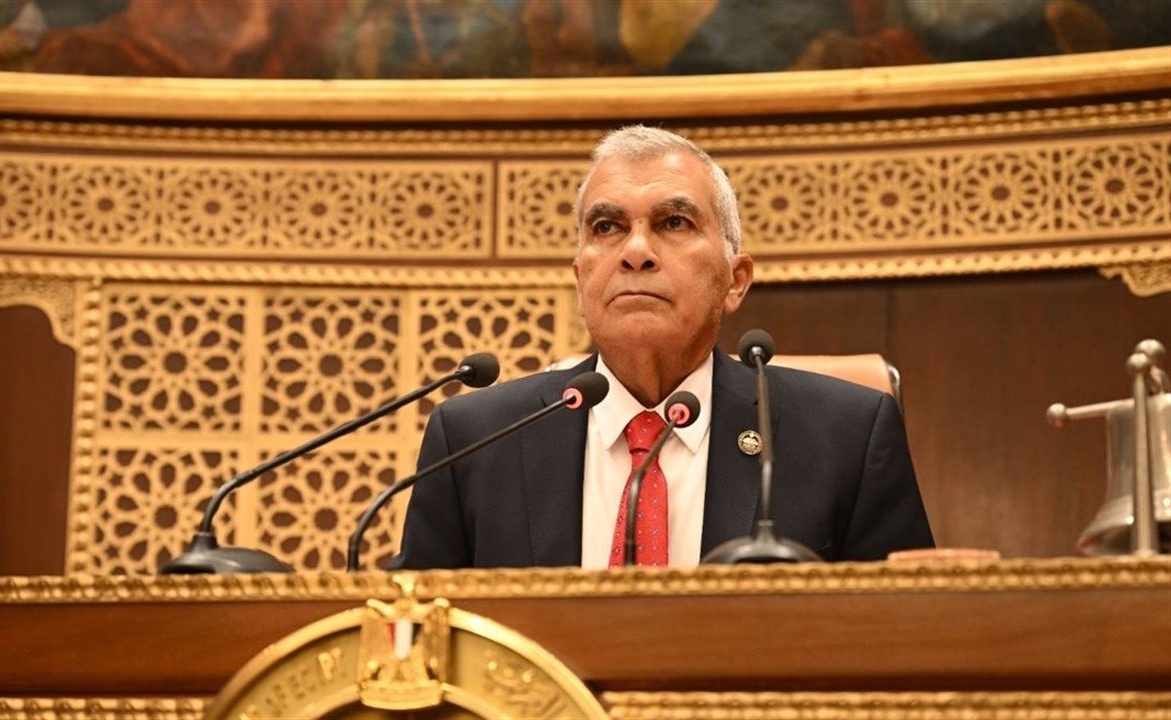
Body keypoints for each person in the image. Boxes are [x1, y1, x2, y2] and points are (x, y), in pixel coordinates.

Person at [392, 126, 932, 569]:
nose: (636, 251)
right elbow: (409, 634)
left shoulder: (847, 436)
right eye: (607, 226)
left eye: (674, 222)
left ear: (735, 281)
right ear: (580, 282)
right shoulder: (473, 443)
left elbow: (909, 634)